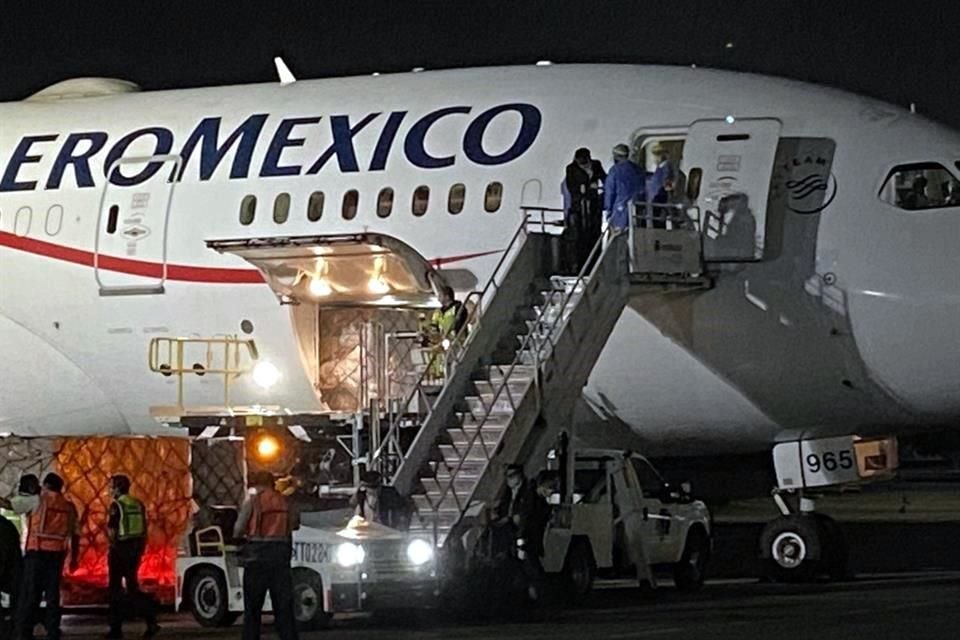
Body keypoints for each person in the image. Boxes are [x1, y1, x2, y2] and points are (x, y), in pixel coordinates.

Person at [233, 472, 298, 640]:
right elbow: (295, 524)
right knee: (284, 611)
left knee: (253, 611)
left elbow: (239, 528)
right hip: (281, 561)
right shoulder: (284, 501)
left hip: (257, 560)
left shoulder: (253, 501)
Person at [13, 473, 79, 640]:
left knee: (31, 594)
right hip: (57, 555)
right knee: (52, 596)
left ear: (47, 485)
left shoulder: (38, 500)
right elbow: (75, 534)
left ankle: (26, 631)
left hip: (36, 553)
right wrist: (74, 559)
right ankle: (53, 631)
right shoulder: (69, 506)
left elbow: (11, 505)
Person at [106, 475, 160, 639]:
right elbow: (144, 529)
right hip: (135, 549)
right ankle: (150, 619)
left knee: (115, 590)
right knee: (132, 586)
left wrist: (111, 545)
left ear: (117, 488)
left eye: (111, 486)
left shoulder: (117, 505)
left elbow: (113, 531)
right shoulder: (138, 504)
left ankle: (116, 629)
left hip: (120, 549)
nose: (109, 490)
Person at [564, 148, 607, 272]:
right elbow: (571, 187)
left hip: (593, 204)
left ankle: (595, 260)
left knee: (595, 231)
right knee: (580, 236)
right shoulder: (571, 168)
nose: (582, 163)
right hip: (579, 205)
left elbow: (605, 179)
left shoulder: (596, 165)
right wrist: (585, 189)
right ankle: (580, 264)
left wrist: (599, 190)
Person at [422, 285, 467, 382]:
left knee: (453, 362)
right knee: (438, 356)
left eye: (440, 296)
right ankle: (439, 377)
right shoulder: (438, 312)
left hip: (457, 341)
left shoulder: (458, 308)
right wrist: (428, 334)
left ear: (447, 297)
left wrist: (451, 335)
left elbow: (459, 324)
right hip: (444, 341)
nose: (438, 298)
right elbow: (434, 326)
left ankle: (453, 380)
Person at [603, 143, 646, 232]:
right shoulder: (638, 170)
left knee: (618, 240)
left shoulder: (615, 170)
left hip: (620, 211)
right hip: (638, 210)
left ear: (616, 156)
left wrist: (608, 210)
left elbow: (610, 192)